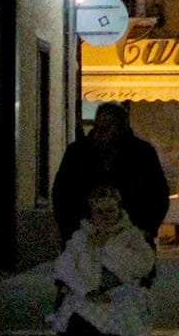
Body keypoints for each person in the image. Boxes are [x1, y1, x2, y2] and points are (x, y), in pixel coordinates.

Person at [52, 184, 157, 336]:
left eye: (110, 210)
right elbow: (63, 267)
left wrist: (108, 247)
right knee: (80, 329)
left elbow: (143, 265)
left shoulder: (132, 237)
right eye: (99, 212)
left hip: (122, 297)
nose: (106, 216)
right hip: (88, 298)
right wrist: (87, 291)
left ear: (119, 210)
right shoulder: (81, 238)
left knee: (121, 328)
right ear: (92, 214)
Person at [50, 102, 169, 245]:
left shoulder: (142, 154)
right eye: (98, 127)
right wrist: (73, 232)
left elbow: (158, 195)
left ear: (121, 129)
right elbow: (62, 195)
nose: (101, 134)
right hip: (87, 238)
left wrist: (145, 230)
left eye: (107, 128)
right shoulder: (77, 153)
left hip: (131, 239)